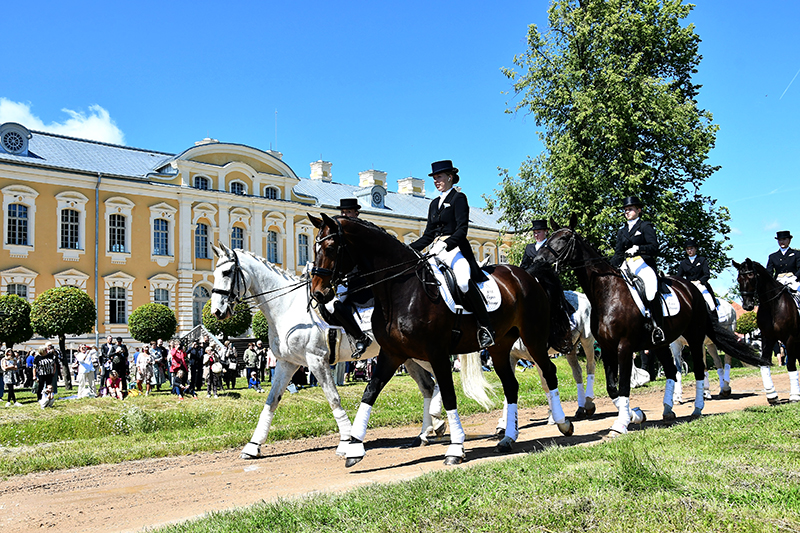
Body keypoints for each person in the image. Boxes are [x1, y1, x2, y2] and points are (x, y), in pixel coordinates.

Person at [409, 160, 494, 348]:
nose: (436, 181)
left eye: (439, 177)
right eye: (434, 178)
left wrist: (445, 244)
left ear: (450, 177)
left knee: (463, 281)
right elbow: (428, 235)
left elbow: (462, 230)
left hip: (455, 249)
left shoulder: (459, 198)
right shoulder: (433, 204)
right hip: (435, 250)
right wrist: (408, 248)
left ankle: (485, 326)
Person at [322, 197, 373, 357]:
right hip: (344, 281)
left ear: (356, 213)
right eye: (343, 212)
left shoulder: (364, 230)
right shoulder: (339, 233)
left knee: (334, 306)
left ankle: (361, 337)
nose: (344, 215)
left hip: (362, 280)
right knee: (327, 306)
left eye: (348, 212)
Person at [611, 195, 665, 344]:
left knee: (650, 288)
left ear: (638, 210)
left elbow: (655, 247)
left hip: (643, 264)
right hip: (626, 265)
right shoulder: (622, 231)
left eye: (630, 209)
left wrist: (639, 249)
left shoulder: (645, 226)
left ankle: (656, 326)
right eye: (625, 210)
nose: (627, 212)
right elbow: (618, 253)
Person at [676, 238, 720, 321]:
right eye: (688, 249)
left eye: (691, 248)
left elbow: (707, 274)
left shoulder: (702, 260)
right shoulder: (683, 263)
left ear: (695, 249)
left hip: (700, 284)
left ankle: (715, 320)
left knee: (710, 302)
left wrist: (699, 282)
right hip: (688, 285)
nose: (690, 251)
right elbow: (679, 276)